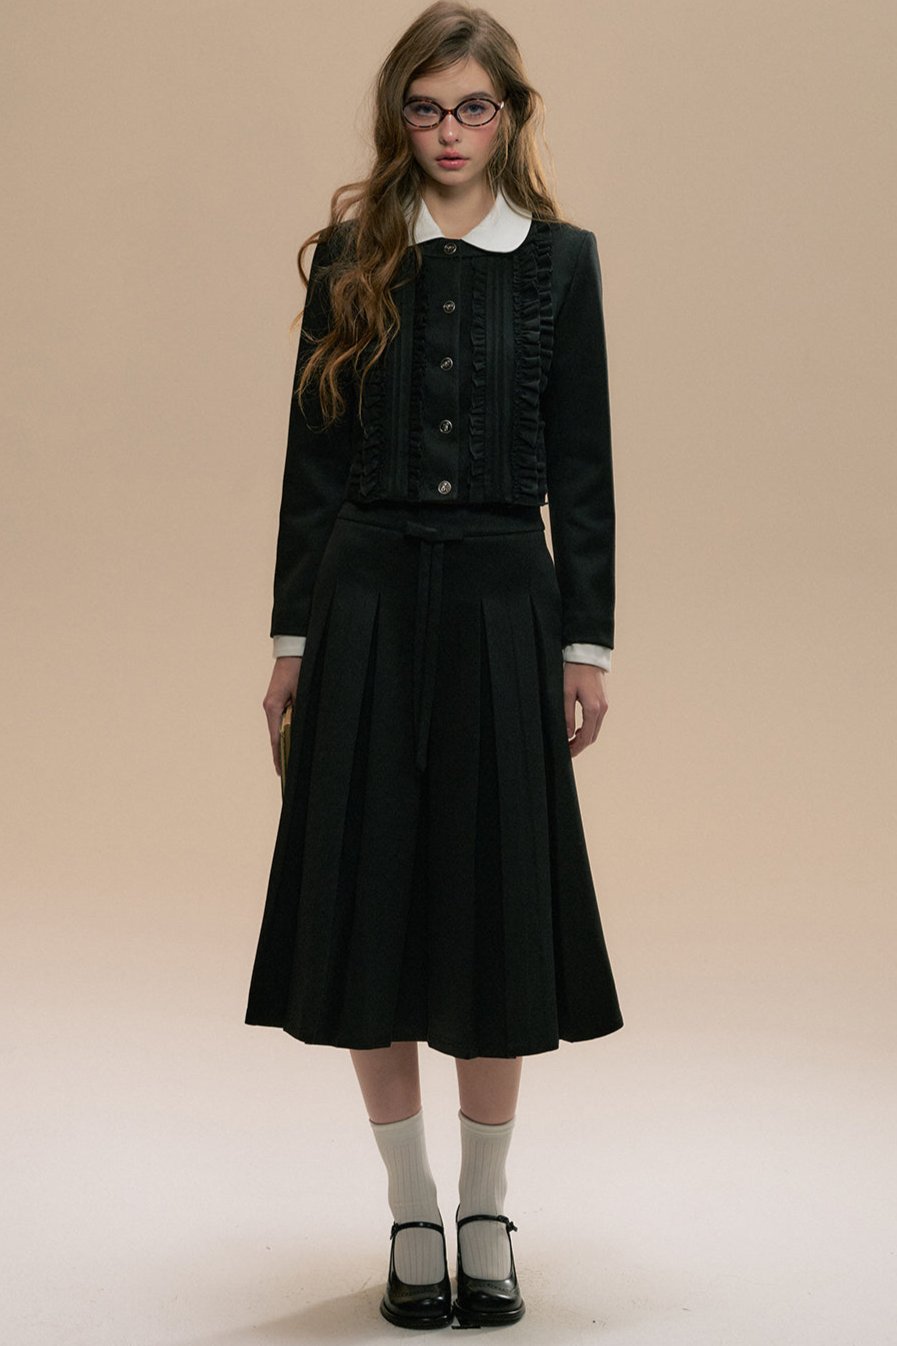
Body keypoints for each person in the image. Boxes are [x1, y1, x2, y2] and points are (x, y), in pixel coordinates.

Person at [245, 0, 623, 1330]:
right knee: (369, 901)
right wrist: (292, 643)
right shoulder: (352, 258)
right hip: (362, 603)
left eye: (472, 107)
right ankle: (410, 1206)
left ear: (509, 117)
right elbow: (311, 467)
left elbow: (582, 466)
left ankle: (484, 1208)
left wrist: (584, 643)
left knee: (493, 903)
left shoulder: (561, 263)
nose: (449, 132)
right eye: (425, 108)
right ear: (396, 118)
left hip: (503, 604)